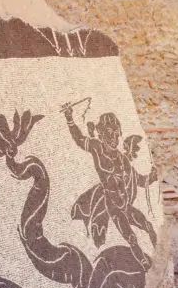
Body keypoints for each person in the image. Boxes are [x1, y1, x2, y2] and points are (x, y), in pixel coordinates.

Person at [62, 104, 158, 263]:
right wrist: (69, 118)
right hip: (113, 206)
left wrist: (153, 177)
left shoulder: (123, 159)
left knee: (149, 227)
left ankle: (157, 259)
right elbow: (79, 139)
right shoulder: (97, 148)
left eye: (116, 134)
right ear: (101, 133)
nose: (114, 139)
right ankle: (143, 262)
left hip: (127, 206)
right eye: (109, 134)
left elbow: (140, 181)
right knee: (132, 238)